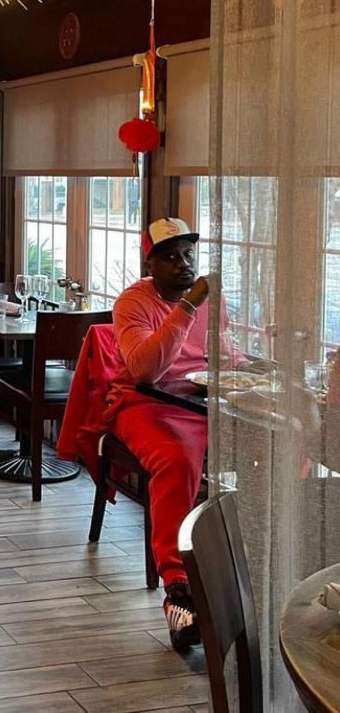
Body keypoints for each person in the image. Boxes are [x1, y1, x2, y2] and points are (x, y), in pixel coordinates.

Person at [110, 218, 266, 649]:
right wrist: (189, 307)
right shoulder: (133, 303)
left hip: (201, 402)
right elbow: (145, 370)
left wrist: (251, 366)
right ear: (150, 264)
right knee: (177, 461)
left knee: (273, 443)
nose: (183, 263)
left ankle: (254, 560)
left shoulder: (211, 301)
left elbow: (223, 353)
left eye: (187, 254)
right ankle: (178, 591)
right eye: (170, 256)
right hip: (144, 402)